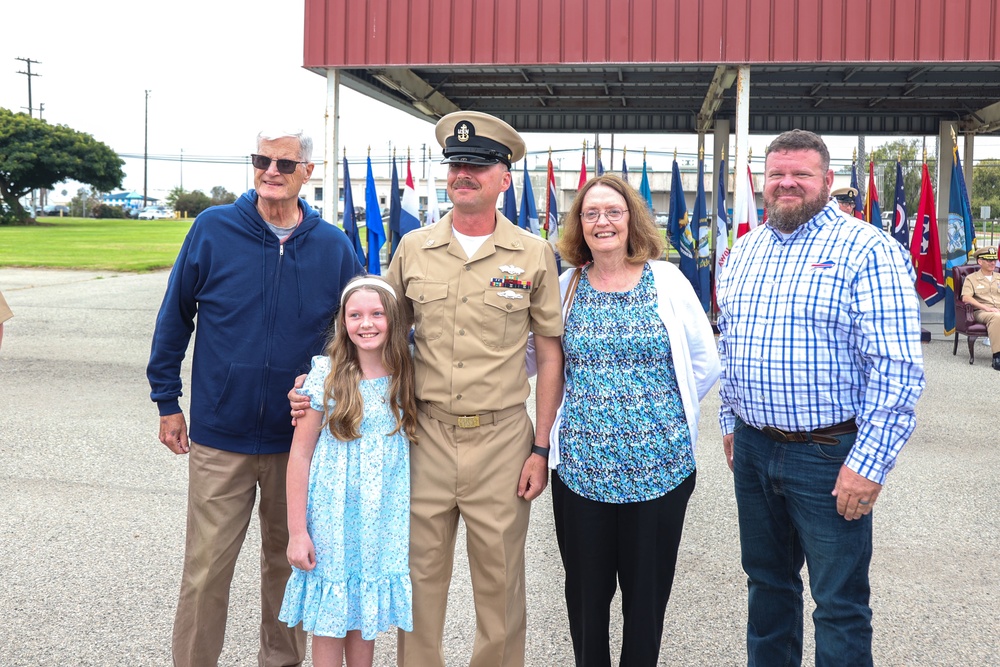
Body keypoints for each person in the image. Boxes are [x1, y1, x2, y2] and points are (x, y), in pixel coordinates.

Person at [147, 129, 363, 667]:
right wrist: (166, 399)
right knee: (205, 570)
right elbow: (175, 316)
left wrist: (331, 394)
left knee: (288, 569)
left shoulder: (334, 245)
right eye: (262, 160)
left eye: (284, 163)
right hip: (223, 436)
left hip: (299, 445)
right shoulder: (212, 229)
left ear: (307, 173)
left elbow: (357, 334)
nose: (271, 170)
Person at [716, 129, 925, 667]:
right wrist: (731, 423)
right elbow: (730, 341)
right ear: (763, 181)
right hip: (756, 450)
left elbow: (897, 370)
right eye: (776, 174)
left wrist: (870, 465)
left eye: (801, 174)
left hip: (830, 455)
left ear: (828, 182)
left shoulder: (869, 251)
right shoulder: (742, 252)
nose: (786, 183)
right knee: (767, 586)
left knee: (838, 604)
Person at [387, 110, 564, 667]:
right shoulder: (413, 248)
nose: (464, 174)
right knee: (418, 582)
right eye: (456, 164)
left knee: (501, 586)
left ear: (504, 178)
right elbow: (378, 336)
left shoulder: (533, 253)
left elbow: (551, 352)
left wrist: (542, 448)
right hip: (426, 437)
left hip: (502, 442)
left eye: (479, 165)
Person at [548, 174, 720, 666]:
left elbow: (704, 362)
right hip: (582, 474)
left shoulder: (666, 280)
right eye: (591, 214)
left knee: (646, 601)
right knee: (586, 598)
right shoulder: (566, 288)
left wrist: (658, 421)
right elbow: (534, 363)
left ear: (632, 220)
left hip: (660, 472)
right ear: (579, 226)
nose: (603, 222)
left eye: (613, 212)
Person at [279, 276, 416, 667]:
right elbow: (300, 456)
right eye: (355, 315)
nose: (366, 323)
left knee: (364, 619)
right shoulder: (326, 375)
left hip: (379, 522)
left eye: (376, 314)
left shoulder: (405, 373)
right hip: (330, 521)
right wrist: (297, 531)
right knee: (329, 621)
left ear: (392, 319)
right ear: (343, 321)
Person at [961, 245, 1000, 370]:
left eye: (994, 260)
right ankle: (997, 356)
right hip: (982, 311)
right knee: (996, 317)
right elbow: (966, 298)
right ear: (980, 261)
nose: (993, 263)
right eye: (989, 260)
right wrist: (986, 308)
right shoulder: (971, 278)